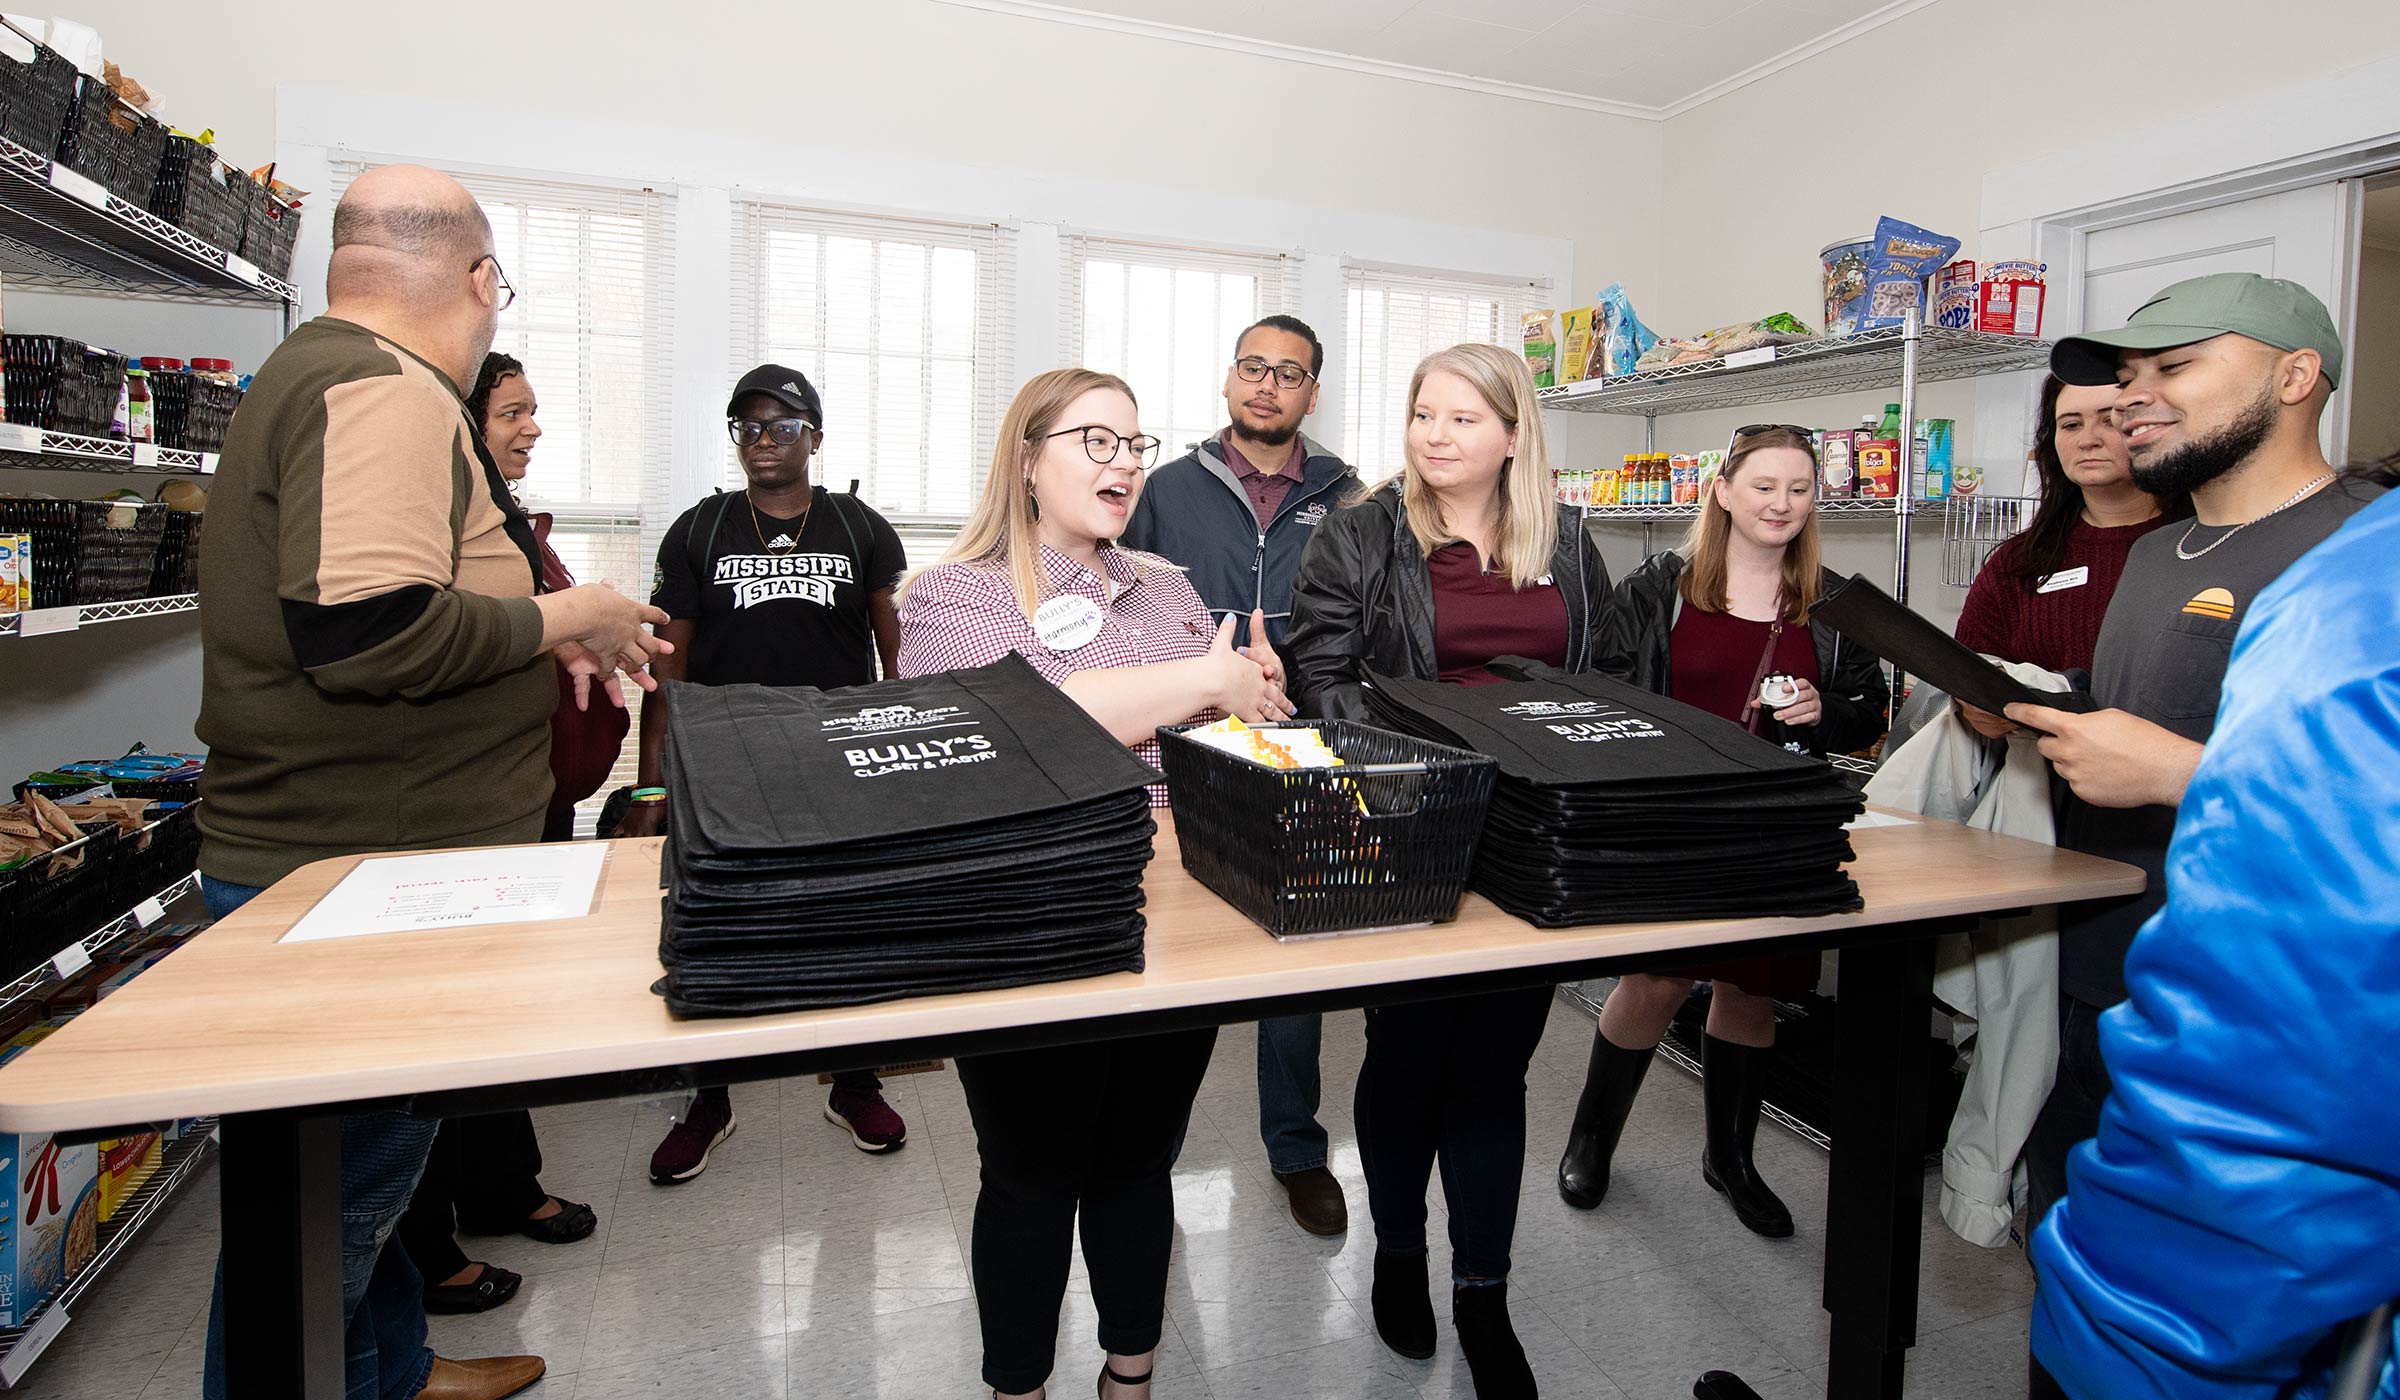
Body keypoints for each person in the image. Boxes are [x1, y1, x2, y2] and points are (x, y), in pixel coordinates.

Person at [195, 165, 669, 1400]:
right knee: (320, 1212)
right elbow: (363, 635)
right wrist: (578, 605)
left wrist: (528, 620)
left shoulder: (322, 368)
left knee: (364, 1180)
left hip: (355, 853)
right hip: (365, 873)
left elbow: (388, 590)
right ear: (477, 281)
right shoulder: (386, 390)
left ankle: (389, 1369)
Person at [2005, 274, 2383, 1397]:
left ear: (2294, 373)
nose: (2134, 401)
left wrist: (2182, 771)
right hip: (2102, 976)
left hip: (2269, 1047)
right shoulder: (2159, 549)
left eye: (2173, 369)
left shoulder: (2366, 556)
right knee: (2069, 1268)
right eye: (2126, 379)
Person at [897, 366, 1292, 1400]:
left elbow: (1220, 727)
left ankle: (1131, 1376)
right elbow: (1021, 723)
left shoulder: (1162, 583)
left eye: (1134, 444)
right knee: (1030, 1174)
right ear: (1027, 460)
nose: (1123, 463)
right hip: (1028, 917)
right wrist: (1205, 680)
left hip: (1182, 915)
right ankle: (1019, 1386)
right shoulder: (953, 595)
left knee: (1138, 1160)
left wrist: (1252, 702)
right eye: (1094, 441)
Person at [1286, 342, 1611, 1398]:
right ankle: (1397, 1254)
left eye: (1463, 418)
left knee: (1494, 1069)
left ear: (1515, 433)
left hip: (1530, 838)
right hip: (1410, 826)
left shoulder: (1565, 538)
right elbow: (1321, 675)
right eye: (1424, 413)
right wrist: (1416, 774)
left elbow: (1604, 676)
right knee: (1407, 1054)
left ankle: (1482, 1284)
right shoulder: (1362, 532)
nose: (1434, 434)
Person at [1555, 425, 1887, 1242]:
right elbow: (1601, 690)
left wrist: (1826, 711)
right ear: (1724, 490)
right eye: (1764, 485)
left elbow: (1870, 712)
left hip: (1779, 836)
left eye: (1799, 488)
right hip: (1677, 825)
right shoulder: (1660, 589)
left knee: (1752, 988)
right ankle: (1591, 1141)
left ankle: (1730, 1159)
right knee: (1655, 982)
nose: (1781, 503)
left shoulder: (1835, 605)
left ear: (1816, 499)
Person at [622, 364, 913, 1182]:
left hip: (837, 757)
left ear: (815, 438)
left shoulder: (858, 527)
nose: (763, 441)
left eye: (782, 426)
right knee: (714, 928)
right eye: (747, 427)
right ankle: (708, 1096)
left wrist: (908, 756)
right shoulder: (701, 529)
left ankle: (853, 1082)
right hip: (727, 764)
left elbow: (902, 662)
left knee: (850, 924)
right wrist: (652, 785)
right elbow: (666, 671)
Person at [1122, 314, 1361, 1237]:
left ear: (1311, 392)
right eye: (1253, 367)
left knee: (1290, 949)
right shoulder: (1162, 487)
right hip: (1173, 740)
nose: (1268, 384)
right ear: (1229, 379)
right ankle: (1146, 1163)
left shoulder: (1349, 496)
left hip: (1294, 742)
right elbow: (1111, 594)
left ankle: (1295, 1148)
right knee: (1165, 945)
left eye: (1290, 373)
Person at [393, 354, 605, 1317]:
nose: (531, 429)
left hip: (530, 806)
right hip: (472, 816)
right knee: (439, 1034)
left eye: (534, 410)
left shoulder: (510, 520)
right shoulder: (433, 524)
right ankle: (428, 1249)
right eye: (514, 412)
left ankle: (499, 1188)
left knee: (498, 1019)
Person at [1950, 375, 2187, 738]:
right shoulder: (2019, 561)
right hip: (2044, 778)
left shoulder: (2203, 544)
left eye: (2109, 419)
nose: (2088, 439)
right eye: (2071, 424)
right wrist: (1978, 707)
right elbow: (1967, 667)